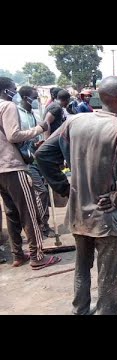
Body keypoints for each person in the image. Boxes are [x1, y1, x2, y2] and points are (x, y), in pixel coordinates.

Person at [35, 76, 117, 315]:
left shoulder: (75, 121)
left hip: (79, 214)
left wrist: (64, 189)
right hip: (107, 219)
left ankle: (79, 310)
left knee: (82, 267)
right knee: (109, 272)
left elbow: (42, 155)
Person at [0, 77, 61, 269]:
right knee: (29, 212)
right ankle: (37, 256)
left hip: (1, 168)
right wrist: (39, 129)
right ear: (6, 90)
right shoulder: (8, 106)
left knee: (11, 213)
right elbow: (13, 135)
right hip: (13, 166)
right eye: (13, 89)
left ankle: (18, 255)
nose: (15, 91)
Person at [17, 86, 55, 238]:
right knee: (41, 191)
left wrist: (38, 143)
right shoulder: (17, 114)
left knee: (43, 191)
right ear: (25, 97)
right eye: (33, 96)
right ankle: (41, 225)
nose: (35, 99)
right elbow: (17, 137)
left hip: (36, 156)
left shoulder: (34, 113)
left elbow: (37, 135)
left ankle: (43, 223)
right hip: (24, 159)